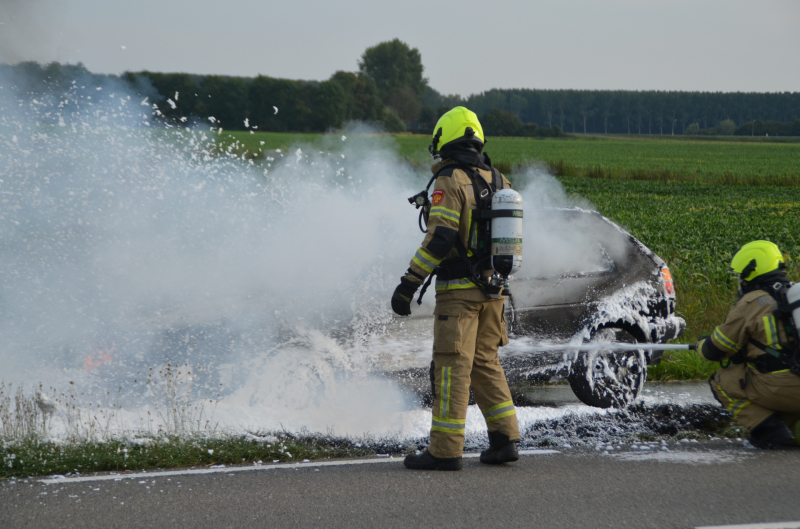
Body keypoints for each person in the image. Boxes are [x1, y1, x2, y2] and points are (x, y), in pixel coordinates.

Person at [391, 107, 520, 471]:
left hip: (460, 295)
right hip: (495, 291)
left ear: (443, 138)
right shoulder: (498, 179)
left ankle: (445, 451)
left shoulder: (449, 179)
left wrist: (408, 284)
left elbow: (440, 237)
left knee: (451, 367)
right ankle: (505, 439)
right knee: (486, 363)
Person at [695, 240, 800, 448]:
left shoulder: (752, 302)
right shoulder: (793, 295)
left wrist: (700, 346)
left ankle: (771, 433)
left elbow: (715, 349)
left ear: (750, 270)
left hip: (784, 387)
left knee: (722, 381)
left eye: (740, 274)